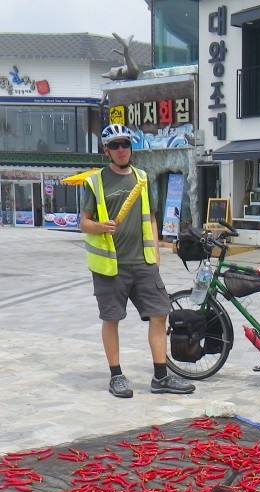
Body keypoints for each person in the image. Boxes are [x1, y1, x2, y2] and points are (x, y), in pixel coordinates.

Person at [80, 123, 195, 398]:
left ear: (131, 148)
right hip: (111, 264)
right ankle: (116, 376)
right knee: (112, 319)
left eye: (126, 144)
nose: (121, 150)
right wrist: (99, 227)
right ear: (106, 150)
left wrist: (155, 254)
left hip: (143, 262)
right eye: (116, 146)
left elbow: (152, 217)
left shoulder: (142, 178)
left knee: (159, 314)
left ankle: (161, 377)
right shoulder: (96, 182)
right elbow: (83, 223)